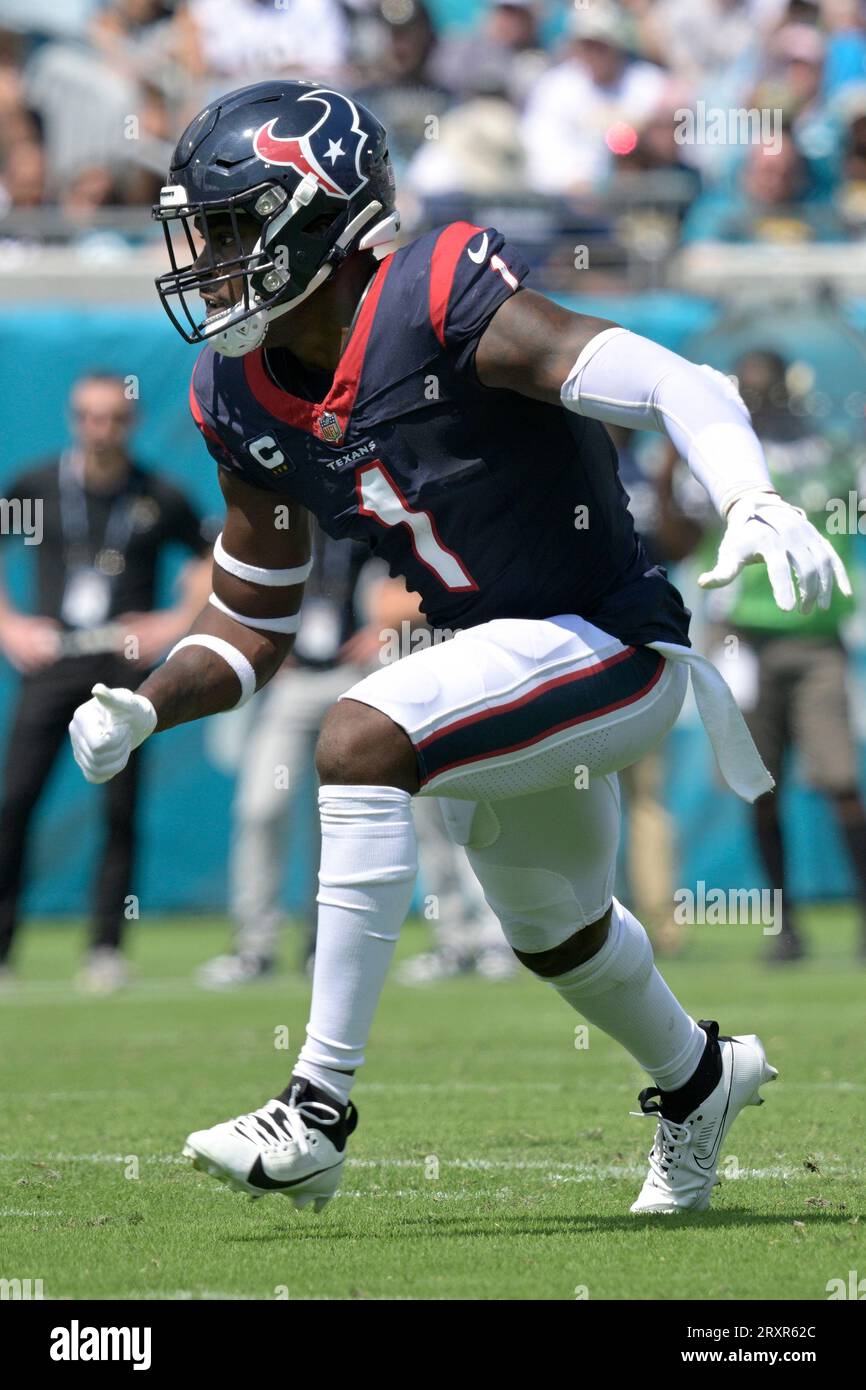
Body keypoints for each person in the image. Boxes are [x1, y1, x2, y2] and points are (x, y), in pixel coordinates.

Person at [69, 81, 848, 1215]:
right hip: (497, 660)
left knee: (361, 734)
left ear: (318, 218)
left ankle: (316, 1109)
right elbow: (251, 616)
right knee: (555, 929)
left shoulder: (435, 293)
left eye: (233, 230)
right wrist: (150, 700)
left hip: (611, 645)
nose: (211, 261)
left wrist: (750, 500)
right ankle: (697, 1079)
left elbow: (680, 381)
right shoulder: (235, 392)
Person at [0, 371, 212, 989]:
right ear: (74, 419)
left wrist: (173, 623)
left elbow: (214, 560)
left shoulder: (158, 495)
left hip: (122, 669)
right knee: (15, 803)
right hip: (52, 660)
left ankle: (105, 949)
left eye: (115, 418)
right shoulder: (38, 488)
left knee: (120, 810)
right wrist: (10, 627)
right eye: (91, 417)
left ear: (133, 423)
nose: (103, 429)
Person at [709, 349, 866, 962]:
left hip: (815, 636)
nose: (756, 401)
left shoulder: (830, 452)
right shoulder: (731, 461)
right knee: (760, 787)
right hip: (746, 637)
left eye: (764, 389)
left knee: (841, 781)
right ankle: (785, 925)